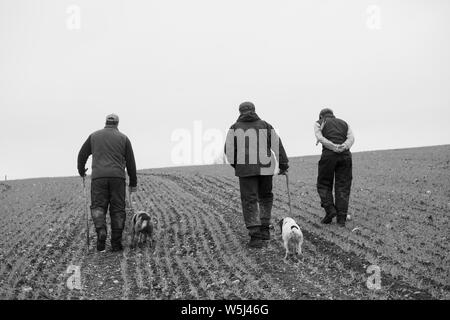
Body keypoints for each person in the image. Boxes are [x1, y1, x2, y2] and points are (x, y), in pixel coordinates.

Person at [225, 102, 289, 248]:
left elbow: (229, 152)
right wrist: (283, 165)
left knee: (249, 200)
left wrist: (237, 165)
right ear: (254, 110)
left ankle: (255, 237)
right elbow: (277, 145)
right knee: (265, 197)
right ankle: (265, 230)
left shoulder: (234, 128)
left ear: (240, 112)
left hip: (246, 169)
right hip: (266, 167)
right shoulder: (265, 125)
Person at [77, 114, 137, 252]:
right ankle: (116, 244)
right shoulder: (124, 138)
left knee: (98, 207)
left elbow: (82, 154)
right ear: (117, 124)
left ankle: (101, 233)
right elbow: (131, 163)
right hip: (117, 178)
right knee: (117, 210)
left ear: (105, 122)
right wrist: (133, 183)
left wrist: (81, 171)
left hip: (99, 178)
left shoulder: (94, 136)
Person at [314, 108, 354, 227]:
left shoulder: (319, 123)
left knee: (324, 184)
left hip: (329, 155)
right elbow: (351, 138)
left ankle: (330, 210)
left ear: (321, 116)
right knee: (343, 186)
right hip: (345, 155)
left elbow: (320, 138)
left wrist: (333, 147)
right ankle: (341, 219)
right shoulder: (344, 123)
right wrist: (343, 146)